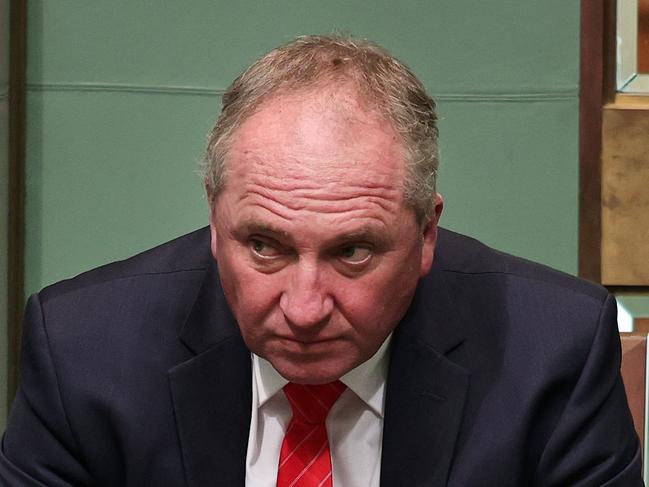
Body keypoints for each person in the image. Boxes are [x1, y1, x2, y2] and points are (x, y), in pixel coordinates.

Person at [0, 35, 642, 487]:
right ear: (214, 220)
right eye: (264, 246)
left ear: (425, 236)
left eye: (353, 251)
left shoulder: (555, 352)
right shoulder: (82, 352)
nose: (304, 308)